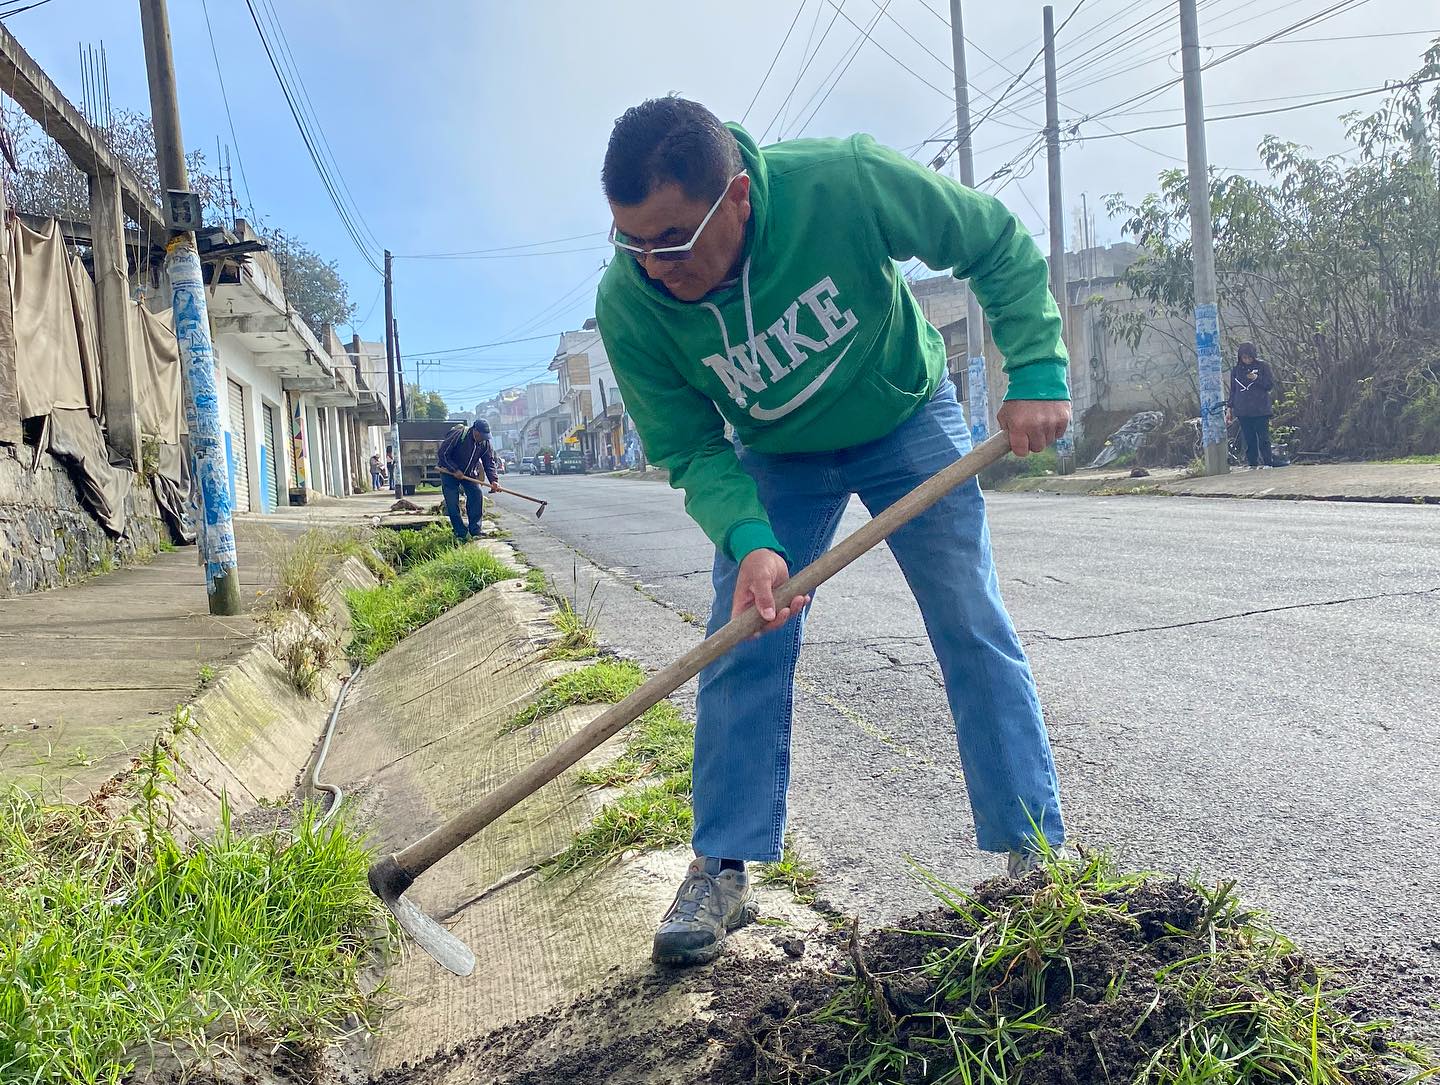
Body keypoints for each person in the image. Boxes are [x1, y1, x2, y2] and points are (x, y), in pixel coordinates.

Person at [595, 97, 1069, 967]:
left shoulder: (842, 182)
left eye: (669, 240)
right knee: (744, 634)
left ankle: (1033, 853)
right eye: (632, 241)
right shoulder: (630, 301)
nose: (653, 267)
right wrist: (750, 537)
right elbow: (689, 446)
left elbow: (992, 238)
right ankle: (723, 868)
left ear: (736, 195)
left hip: (905, 413)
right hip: (776, 453)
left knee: (969, 617)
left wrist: (1035, 367)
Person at [436, 419, 500, 541]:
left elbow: (489, 462)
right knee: (452, 503)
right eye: (482, 435)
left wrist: (493, 480)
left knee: (477, 494)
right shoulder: (459, 435)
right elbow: (442, 454)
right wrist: (454, 469)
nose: (483, 439)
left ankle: (475, 530)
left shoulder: (485, 443)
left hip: (469, 473)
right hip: (449, 472)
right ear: (475, 431)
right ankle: (460, 533)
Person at [1226, 343, 1276, 469]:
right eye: (1244, 358)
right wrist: (1229, 408)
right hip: (1243, 410)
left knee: (1263, 437)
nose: (1247, 360)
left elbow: (1269, 385)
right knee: (1249, 438)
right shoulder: (1236, 371)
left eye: (1249, 357)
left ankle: (1267, 462)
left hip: (1261, 409)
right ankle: (1252, 463)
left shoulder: (1263, 366)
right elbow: (1233, 391)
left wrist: (1256, 378)